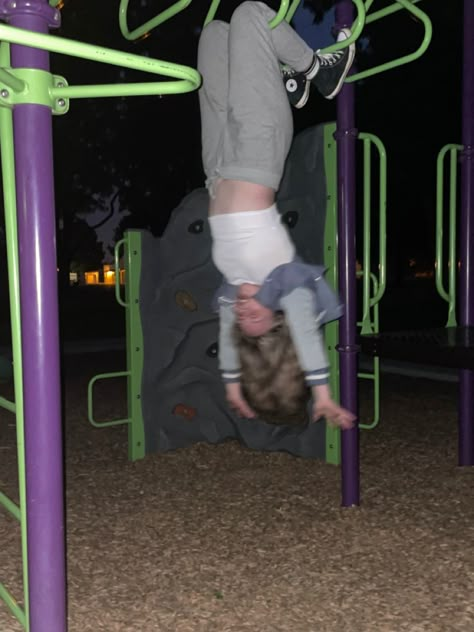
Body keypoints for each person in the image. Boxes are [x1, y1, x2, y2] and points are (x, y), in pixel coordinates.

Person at [197, 1, 356, 429]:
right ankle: (318, 71)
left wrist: (232, 386)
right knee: (251, 14)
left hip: (216, 164)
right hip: (256, 149)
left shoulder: (233, 292)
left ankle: (286, 77)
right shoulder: (286, 284)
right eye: (263, 325)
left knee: (214, 34)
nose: (248, 317)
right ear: (279, 318)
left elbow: (231, 346)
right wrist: (322, 394)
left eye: (243, 326)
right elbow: (306, 337)